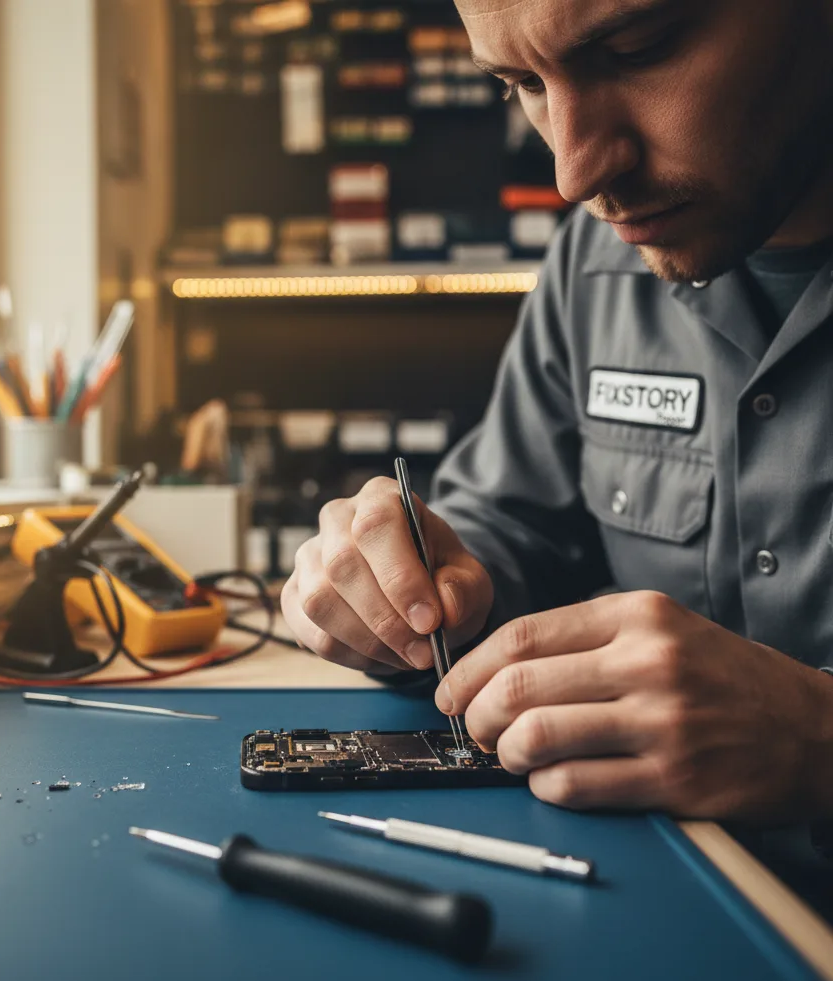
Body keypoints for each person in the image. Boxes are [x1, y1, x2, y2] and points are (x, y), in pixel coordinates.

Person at [281, 0, 833, 826]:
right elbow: (518, 524)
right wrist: (417, 581)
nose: (574, 173)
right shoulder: (599, 258)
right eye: (522, 84)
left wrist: (815, 743)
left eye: (638, 49)